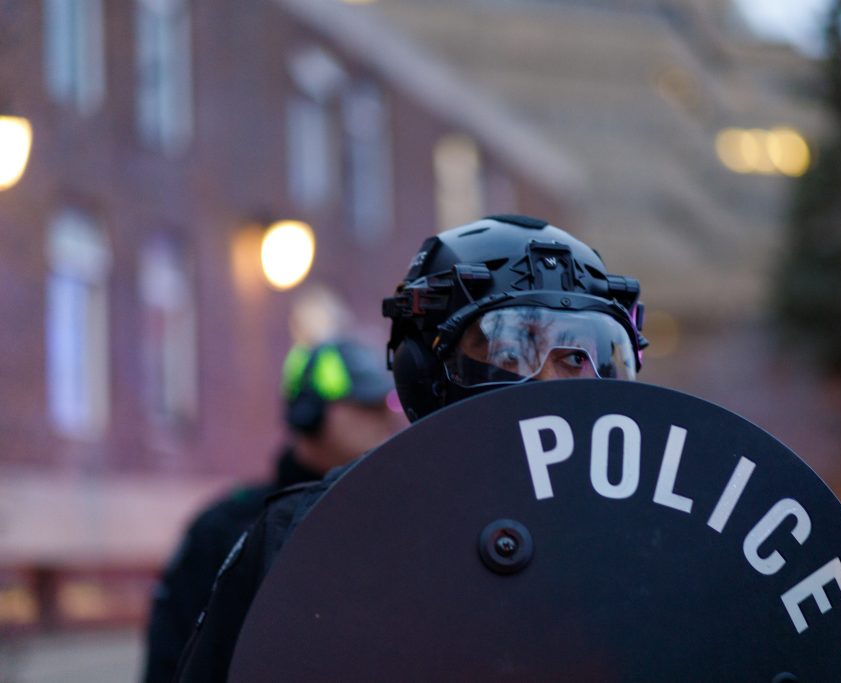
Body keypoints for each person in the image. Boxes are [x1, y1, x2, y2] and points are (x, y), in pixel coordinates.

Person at [173, 214, 648, 681]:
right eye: (509, 352)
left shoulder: (652, 524)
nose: (548, 385)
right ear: (420, 372)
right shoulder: (312, 531)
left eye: (573, 357)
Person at [143, 338, 400, 683]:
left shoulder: (397, 520)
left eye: (387, 404)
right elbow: (169, 660)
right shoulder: (225, 529)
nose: (385, 418)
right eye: (366, 405)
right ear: (309, 414)